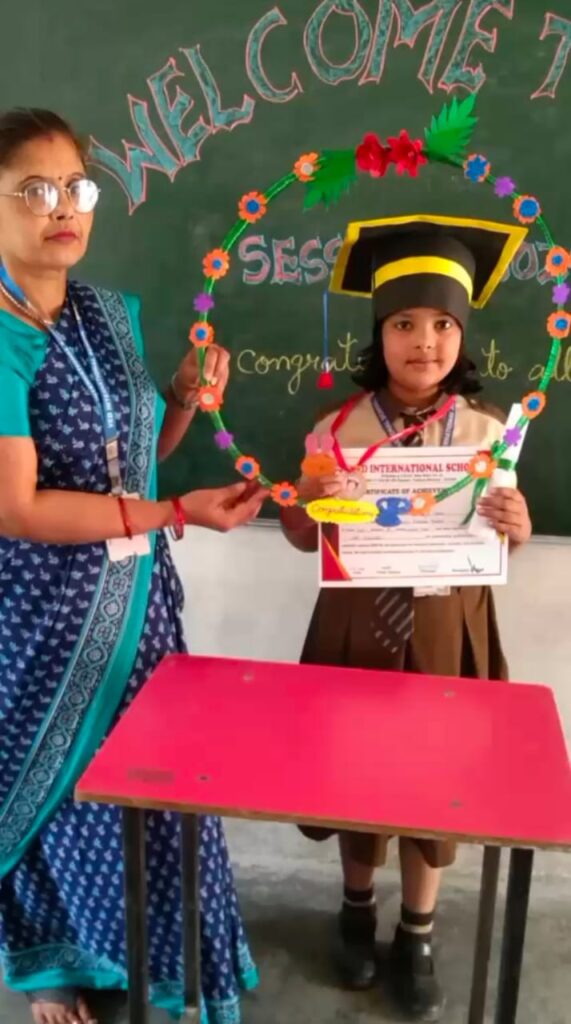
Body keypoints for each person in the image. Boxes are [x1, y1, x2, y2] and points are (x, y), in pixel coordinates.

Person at [0, 107, 265, 1024]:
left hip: (140, 613)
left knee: (158, 792)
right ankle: (49, 970)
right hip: (39, 618)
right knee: (50, 788)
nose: (62, 207)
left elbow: (135, 459)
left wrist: (181, 399)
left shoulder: (105, 314)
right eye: (33, 190)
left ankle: (168, 969)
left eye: (76, 186)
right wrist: (172, 514)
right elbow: (19, 507)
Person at [281, 214, 532, 1021]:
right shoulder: (337, 431)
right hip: (357, 624)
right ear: (378, 334)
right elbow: (301, 533)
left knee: (435, 780)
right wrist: (305, 504)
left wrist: (516, 526)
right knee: (355, 771)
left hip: (446, 625)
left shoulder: (488, 434)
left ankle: (415, 931)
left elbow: (500, 541)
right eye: (403, 324)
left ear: (461, 335)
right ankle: (356, 909)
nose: (423, 342)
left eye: (441, 325)